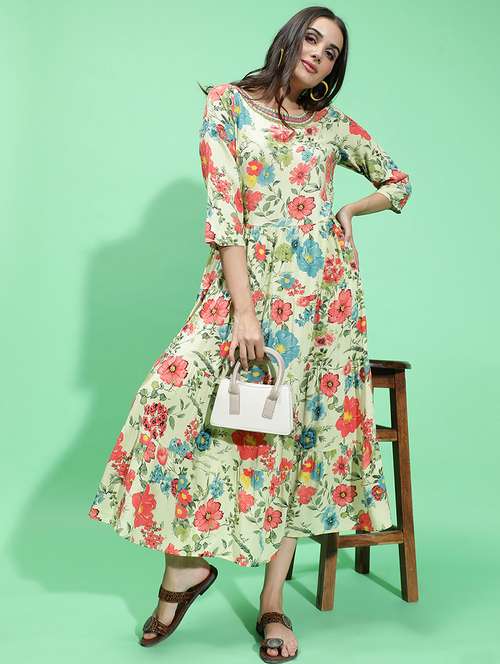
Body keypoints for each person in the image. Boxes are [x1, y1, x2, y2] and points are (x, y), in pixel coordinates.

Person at [87, 5, 412, 662]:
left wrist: (350, 209)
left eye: (332, 52)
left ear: (334, 69)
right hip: (242, 291)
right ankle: (185, 571)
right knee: (173, 396)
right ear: (290, 40)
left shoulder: (332, 125)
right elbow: (224, 210)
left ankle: (272, 603)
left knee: (294, 439)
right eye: (312, 39)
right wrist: (243, 310)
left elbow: (398, 182)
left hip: (320, 302)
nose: (319, 54)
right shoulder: (227, 105)